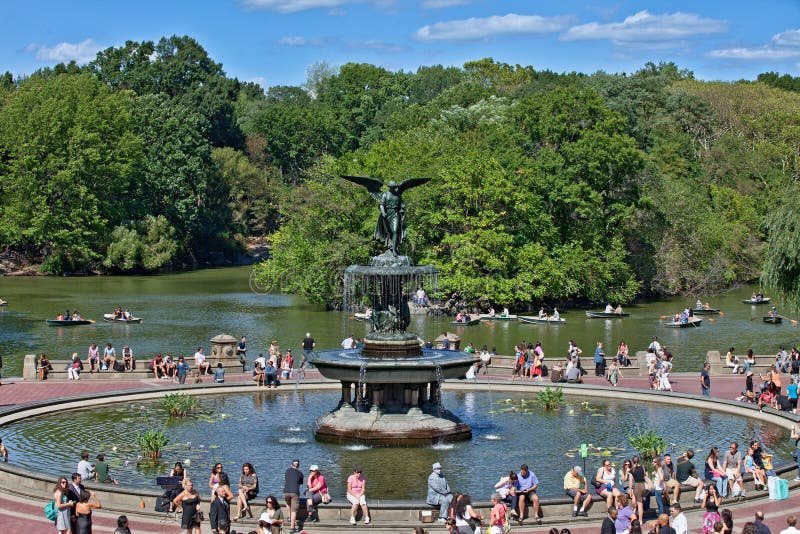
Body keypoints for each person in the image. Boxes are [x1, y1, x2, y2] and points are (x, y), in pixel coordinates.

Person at [283, 459, 303, 532]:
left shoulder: (287, 471)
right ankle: (292, 528)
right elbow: (299, 484)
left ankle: (289, 517)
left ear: (291, 465)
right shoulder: (300, 474)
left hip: (286, 491)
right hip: (295, 492)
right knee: (294, 510)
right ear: (298, 466)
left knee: (288, 503)